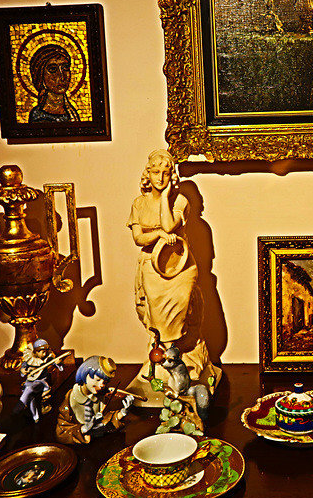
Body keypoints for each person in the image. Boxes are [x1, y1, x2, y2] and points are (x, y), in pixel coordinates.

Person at [127, 150, 220, 393]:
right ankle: (166, 360)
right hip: (152, 266)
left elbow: (169, 225)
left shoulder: (180, 202)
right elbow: (138, 238)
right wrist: (158, 234)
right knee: (156, 316)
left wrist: (165, 197)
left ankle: (179, 358)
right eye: (156, 172)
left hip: (181, 267)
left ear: (172, 176)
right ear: (148, 174)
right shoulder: (139, 204)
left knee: (181, 310)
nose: (160, 178)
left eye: (166, 173)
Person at [56, 356, 133, 444]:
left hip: (102, 441)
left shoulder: (101, 396)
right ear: (85, 374)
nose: (102, 385)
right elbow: (62, 431)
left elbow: (107, 420)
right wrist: (84, 428)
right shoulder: (70, 398)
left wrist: (123, 412)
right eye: (98, 380)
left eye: (105, 382)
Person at [27, 43, 80, 123]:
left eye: (65, 67)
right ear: (41, 76)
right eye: (53, 69)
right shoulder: (38, 117)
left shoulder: (72, 113)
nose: (62, 76)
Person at [18, 339, 63, 422]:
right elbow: (23, 368)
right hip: (30, 381)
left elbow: (58, 366)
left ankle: (23, 403)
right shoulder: (30, 360)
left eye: (45, 352)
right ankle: (35, 416)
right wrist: (23, 371)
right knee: (31, 397)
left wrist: (58, 363)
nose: (44, 354)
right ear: (36, 352)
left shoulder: (47, 359)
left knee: (31, 390)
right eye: (42, 352)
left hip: (41, 382)